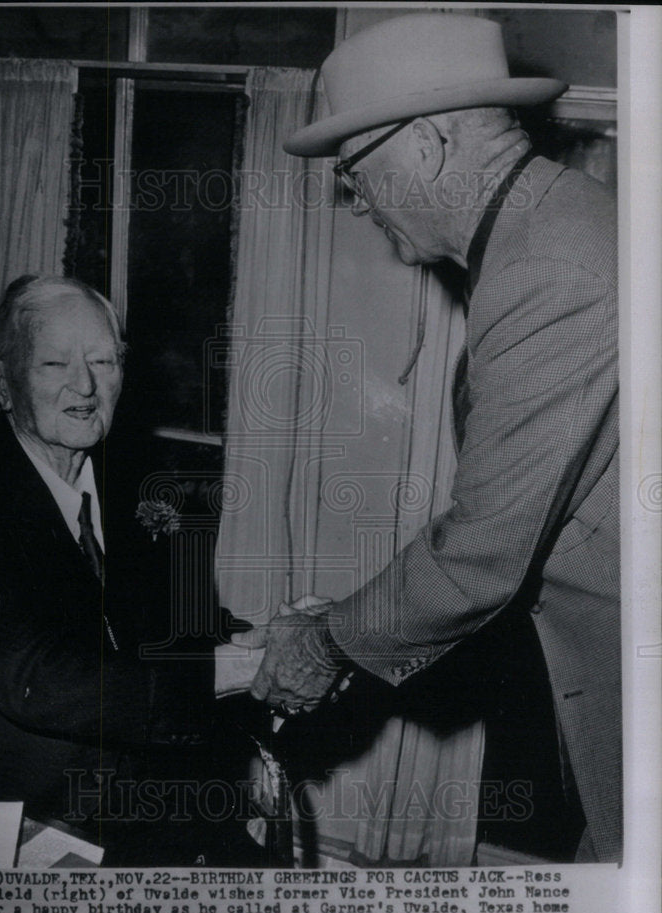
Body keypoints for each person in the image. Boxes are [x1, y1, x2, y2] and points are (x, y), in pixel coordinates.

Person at [239, 13, 620, 862]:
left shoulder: (547, 269)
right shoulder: (544, 230)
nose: (356, 199)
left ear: (430, 144)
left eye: (355, 172)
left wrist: (327, 639)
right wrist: (343, 621)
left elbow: (483, 551)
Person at [0, 275, 247, 865]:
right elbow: (35, 677)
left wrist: (260, 642)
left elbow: (177, 622)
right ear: (3, 381)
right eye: (54, 364)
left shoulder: (130, 478)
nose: (86, 386)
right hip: (19, 815)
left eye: (102, 360)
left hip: (142, 790)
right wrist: (232, 670)